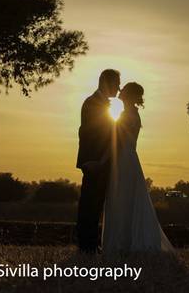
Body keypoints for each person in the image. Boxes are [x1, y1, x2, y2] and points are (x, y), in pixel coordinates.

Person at [101, 81, 174, 253]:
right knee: (126, 198)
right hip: (129, 158)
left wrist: (103, 159)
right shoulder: (131, 113)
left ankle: (122, 242)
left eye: (124, 89)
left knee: (122, 198)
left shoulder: (128, 115)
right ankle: (126, 240)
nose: (120, 90)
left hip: (123, 160)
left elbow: (117, 141)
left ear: (130, 95)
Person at [75, 68, 119, 253]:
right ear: (106, 82)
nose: (118, 88)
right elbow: (88, 134)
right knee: (90, 203)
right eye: (116, 84)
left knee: (97, 203)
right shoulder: (93, 103)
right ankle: (87, 244)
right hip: (94, 162)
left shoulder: (103, 104)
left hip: (102, 161)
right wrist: (93, 160)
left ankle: (91, 243)